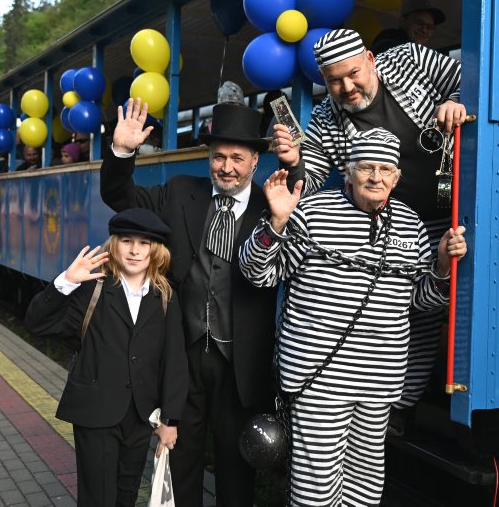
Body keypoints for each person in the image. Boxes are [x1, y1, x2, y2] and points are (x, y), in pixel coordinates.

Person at [241, 129, 467, 506]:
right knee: (316, 488)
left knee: (366, 483)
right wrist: (276, 223)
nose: (376, 177)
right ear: (348, 172)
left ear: (397, 177)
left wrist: (442, 266)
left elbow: (421, 300)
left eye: (385, 169)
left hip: (379, 383)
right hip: (318, 381)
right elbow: (256, 273)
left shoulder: (410, 224)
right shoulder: (312, 213)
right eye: (366, 167)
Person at [273, 28, 466, 434]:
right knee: (410, 310)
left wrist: (454, 100)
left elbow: (470, 77)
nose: (346, 87)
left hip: (457, 205)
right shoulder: (325, 118)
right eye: (334, 80)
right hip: (397, 221)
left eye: (353, 73)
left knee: (446, 300)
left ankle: (413, 402)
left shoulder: (411, 59)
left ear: (370, 59)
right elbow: (309, 180)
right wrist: (294, 161)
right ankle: (399, 407)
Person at [101, 98, 277, 507]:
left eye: (237, 158)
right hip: (183, 354)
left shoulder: (271, 207)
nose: (226, 167)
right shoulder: (181, 192)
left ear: (254, 161)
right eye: (218, 157)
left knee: (237, 468)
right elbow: (121, 198)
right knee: (181, 457)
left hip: (241, 362)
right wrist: (121, 152)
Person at [24, 208, 188, 507]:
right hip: (96, 412)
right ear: (114, 245)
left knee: (127, 495)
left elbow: (174, 360)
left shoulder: (165, 296)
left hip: (140, 415)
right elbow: (37, 324)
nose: (135, 250)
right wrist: (66, 281)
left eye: (144, 243)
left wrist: (170, 419)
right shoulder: (93, 288)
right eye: (127, 241)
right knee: (97, 497)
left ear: (156, 251)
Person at [370, 0, 446, 54]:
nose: (424, 30)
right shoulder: (389, 45)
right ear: (402, 21)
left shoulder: (416, 52)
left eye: (429, 27)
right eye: (419, 23)